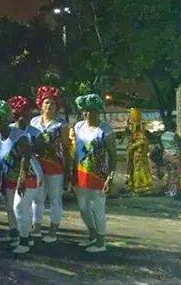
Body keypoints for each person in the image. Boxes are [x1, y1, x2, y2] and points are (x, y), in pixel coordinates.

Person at [0, 100, 39, 254]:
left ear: (7, 118)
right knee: (10, 207)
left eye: (0, 118)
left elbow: (26, 157)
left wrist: (22, 179)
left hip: (26, 176)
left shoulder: (20, 136)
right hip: (8, 178)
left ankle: (25, 241)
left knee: (20, 207)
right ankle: (15, 234)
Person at [71, 94, 117, 253]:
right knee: (83, 209)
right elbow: (76, 152)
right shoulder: (78, 127)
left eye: (93, 111)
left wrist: (110, 178)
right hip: (81, 174)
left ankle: (100, 243)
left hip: (99, 175)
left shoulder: (106, 130)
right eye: (86, 111)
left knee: (98, 210)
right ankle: (92, 236)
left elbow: (113, 155)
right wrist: (72, 173)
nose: (89, 114)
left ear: (98, 111)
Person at [29, 86, 69, 242]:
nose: (49, 106)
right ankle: (36, 227)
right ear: (40, 104)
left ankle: (53, 230)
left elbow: (66, 147)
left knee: (55, 199)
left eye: (52, 103)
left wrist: (67, 169)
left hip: (55, 166)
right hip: (37, 165)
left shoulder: (61, 124)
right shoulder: (34, 122)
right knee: (37, 198)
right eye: (46, 102)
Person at [126, 108, 153, 194]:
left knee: (139, 170)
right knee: (136, 169)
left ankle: (141, 186)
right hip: (135, 155)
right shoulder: (135, 130)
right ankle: (138, 186)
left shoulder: (139, 131)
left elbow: (142, 142)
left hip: (139, 155)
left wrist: (133, 147)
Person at [160, 128, 181, 197]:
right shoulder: (174, 135)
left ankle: (168, 190)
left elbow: (162, 145)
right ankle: (174, 191)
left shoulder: (163, 135)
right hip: (174, 156)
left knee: (168, 174)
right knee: (176, 174)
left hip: (165, 155)